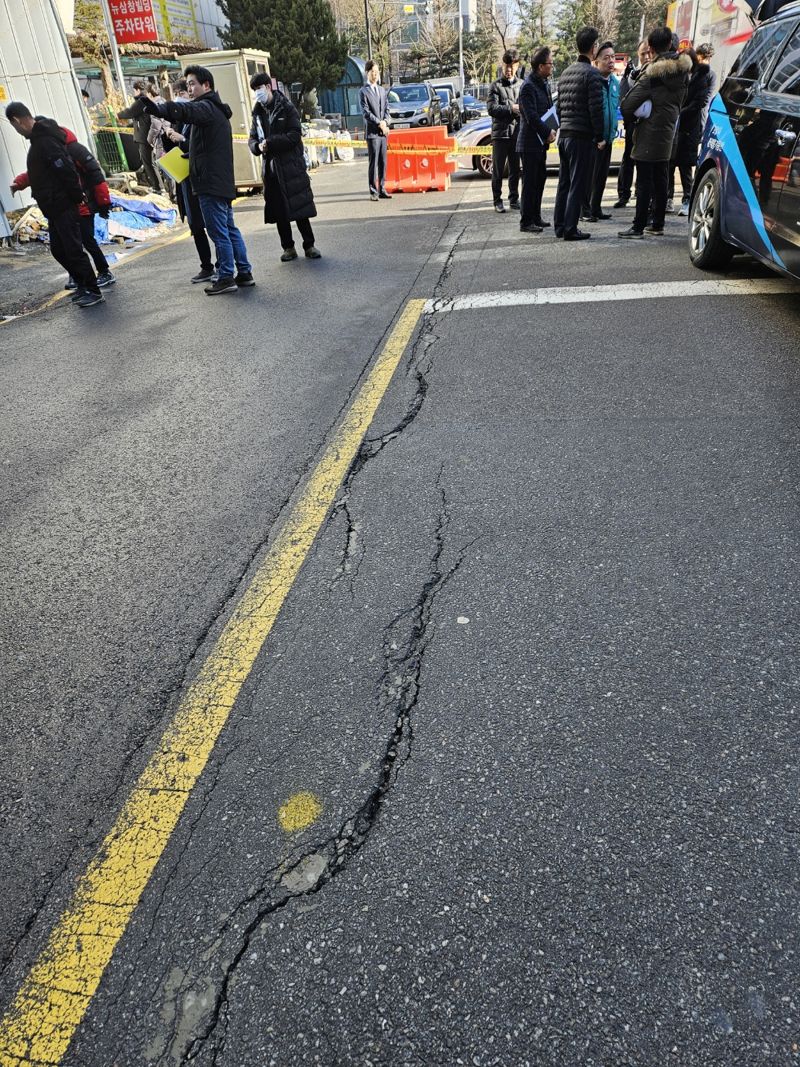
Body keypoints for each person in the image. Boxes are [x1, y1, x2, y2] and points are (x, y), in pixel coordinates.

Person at [140, 64, 253, 295]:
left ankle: (225, 277)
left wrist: (160, 109)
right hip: (218, 180)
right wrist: (191, 155)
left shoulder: (206, 108)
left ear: (206, 85)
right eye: (187, 84)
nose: (189, 89)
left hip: (210, 183)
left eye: (192, 84)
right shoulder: (215, 110)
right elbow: (209, 148)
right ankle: (244, 272)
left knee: (219, 232)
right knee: (229, 229)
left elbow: (188, 112)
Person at [5, 102, 103, 307]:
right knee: (59, 250)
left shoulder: (45, 141)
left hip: (63, 204)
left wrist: (77, 197)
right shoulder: (38, 141)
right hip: (53, 207)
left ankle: (92, 289)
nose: (17, 131)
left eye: (14, 127)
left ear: (17, 121)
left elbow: (65, 169)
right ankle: (83, 284)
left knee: (73, 249)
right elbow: (41, 173)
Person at [11, 125, 116, 290]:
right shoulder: (49, 150)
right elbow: (35, 173)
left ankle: (104, 271)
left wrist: (103, 202)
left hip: (82, 204)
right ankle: (77, 277)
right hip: (65, 206)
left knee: (86, 241)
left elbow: (96, 176)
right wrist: (19, 183)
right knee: (68, 246)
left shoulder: (75, 150)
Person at [619, 26, 692, 239]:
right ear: (671, 44)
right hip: (669, 132)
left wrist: (637, 118)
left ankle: (638, 226)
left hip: (648, 134)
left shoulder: (652, 75)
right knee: (662, 178)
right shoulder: (683, 72)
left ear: (650, 47)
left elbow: (627, 105)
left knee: (643, 182)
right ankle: (657, 223)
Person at [248, 73, 321, 262]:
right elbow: (252, 138)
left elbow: (294, 135)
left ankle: (309, 245)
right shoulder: (257, 112)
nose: (258, 93)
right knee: (279, 210)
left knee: (300, 207)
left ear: (268, 87)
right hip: (271, 170)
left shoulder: (286, 107)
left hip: (290, 166)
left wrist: (271, 142)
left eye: (259, 89)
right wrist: (257, 146)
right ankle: (288, 247)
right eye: (255, 90)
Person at [553, 26, 606, 241]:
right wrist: (600, 136)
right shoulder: (592, 74)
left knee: (564, 183)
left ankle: (559, 226)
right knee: (577, 183)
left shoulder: (565, 73)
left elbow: (558, 108)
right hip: (581, 136)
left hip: (564, 135)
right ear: (593, 48)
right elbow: (596, 109)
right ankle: (571, 229)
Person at [165, 78, 215, 284]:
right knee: (196, 226)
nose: (184, 95)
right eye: (182, 91)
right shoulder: (179, 120)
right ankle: (206, 266)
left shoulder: (202, 116)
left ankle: (223, 265)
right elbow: (172, 148)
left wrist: (183, 140)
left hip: (201, 180)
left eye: (186, 91)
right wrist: (168, 135)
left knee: (213, 225)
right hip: (184, 179)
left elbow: (201, 147)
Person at [670, 44, 716, 216]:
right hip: (675, 124)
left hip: (692, 124)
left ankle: (687, 199)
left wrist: (681, 111)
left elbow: (702, 101)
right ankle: (668, 197)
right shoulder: (678, 76)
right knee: (670, 163)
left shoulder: (704, 76)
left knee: (685, 164)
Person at [516, 46, 556, 233]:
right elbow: (531, 116)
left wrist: (553, 128)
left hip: (541, 143)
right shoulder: (528, 87)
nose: (552, 66)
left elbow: (548, 110)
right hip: (530, 142)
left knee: (540, 179)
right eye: (550, 63)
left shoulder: (544, 84)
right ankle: (526, 221)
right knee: (530, 182)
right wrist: (547, 131)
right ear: (540, 66)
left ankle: (536, 216)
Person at [581, 41, 620, 222]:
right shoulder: (593, 80)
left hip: (609, 138)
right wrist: (597, 136)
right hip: (594, 139)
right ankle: (585, 210)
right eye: (606, 57)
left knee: (602, 176)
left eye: (613, 57)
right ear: (596, 62)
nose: (611, 60)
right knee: (589, 176)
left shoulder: (615, 82)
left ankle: (596, 207)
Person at [615, 39, 650, 208]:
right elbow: (623, 99)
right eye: (643, 53)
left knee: (645, 163)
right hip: (632, 125)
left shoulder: (657, 74)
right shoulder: (631, 75)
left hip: (650, 127)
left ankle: (641, 194)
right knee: (627, 159)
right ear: (638, 55)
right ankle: (623, 194)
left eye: (649, 52)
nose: (646, 56)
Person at [488, 48, 523, 212]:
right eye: (506, 66)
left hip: (517, 134)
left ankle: (514, 199)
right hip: (500, 135)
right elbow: (492, 108)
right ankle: (497, 200)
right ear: (502, 66)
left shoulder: (522, 85)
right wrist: (512, 109)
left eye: (512, 66)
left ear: (517, 66)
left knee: (515, 169)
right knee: (498, 169)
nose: (509, 70)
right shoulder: (495, 86)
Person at [118, 81, 161, 193]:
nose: (133, 92)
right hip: (147, 134)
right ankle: (158, 186)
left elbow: (129, 112)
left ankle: (157, 187)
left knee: (148, 163)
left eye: (134, 90)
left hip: (144, 136)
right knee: (151, 162)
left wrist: (117, 115)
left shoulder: (141, 101)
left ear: (138, 90)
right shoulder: (145, 101)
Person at [359, 60, 391, 201]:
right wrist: (379, 123)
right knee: (374, 162)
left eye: (377, 72)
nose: (375, 75)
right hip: (372, 133)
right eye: (373, 72)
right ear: (367, 73)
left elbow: (387, 109)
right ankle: (373, 190)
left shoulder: (382, 90)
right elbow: (366, 113)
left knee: (383, 162)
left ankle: (382, 188)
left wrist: (386, 121)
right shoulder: (363, 92)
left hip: (382, 133)